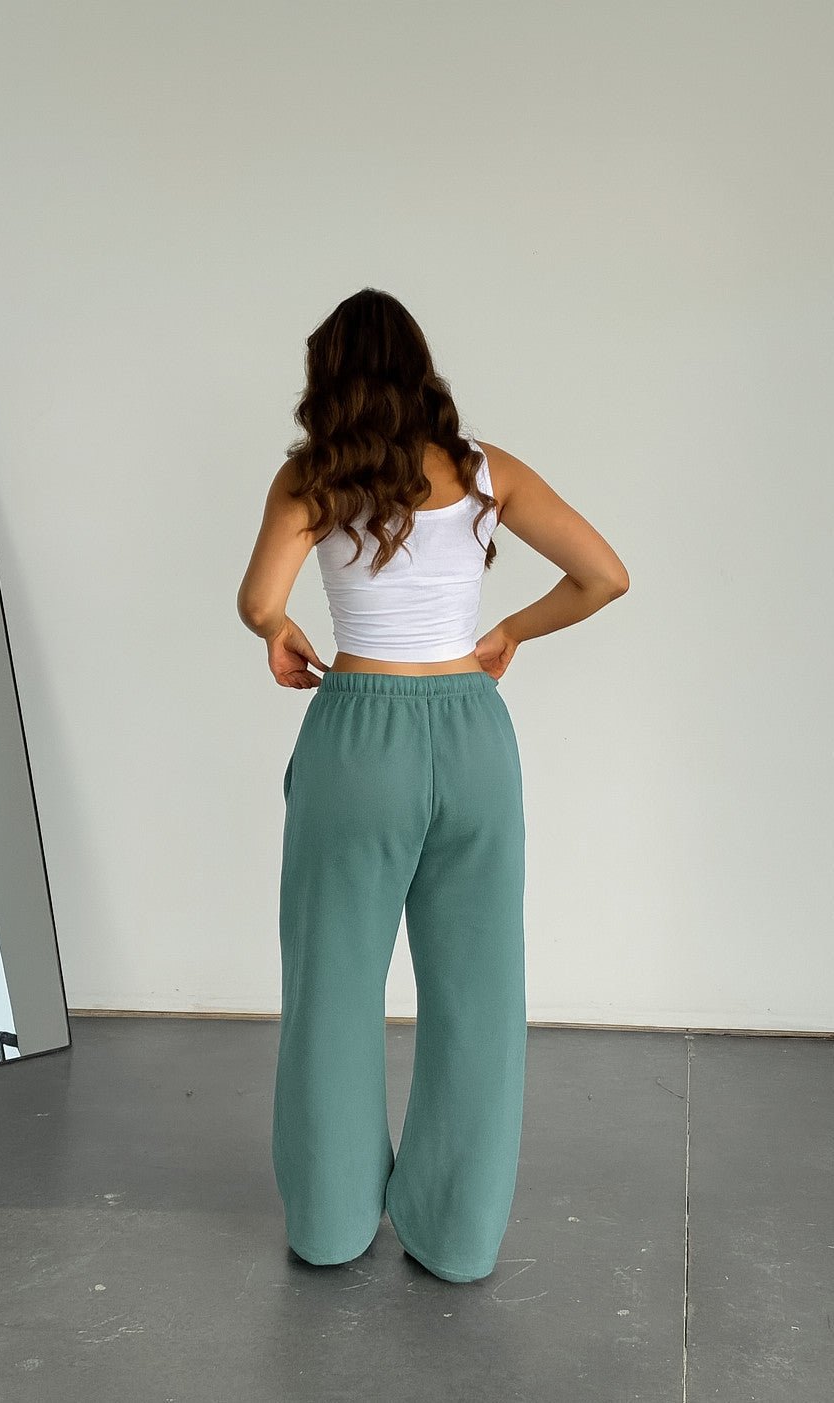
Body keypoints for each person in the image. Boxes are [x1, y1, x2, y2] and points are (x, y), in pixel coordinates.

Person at [237, 288, 629, 1283]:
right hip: (471, 736)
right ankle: (456, 1236)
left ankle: (331, 1224)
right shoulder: (486, 471)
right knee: (478, 992)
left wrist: (280, 633)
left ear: (328, 376)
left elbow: (258, 599)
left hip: (356, 734)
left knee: (333, 983)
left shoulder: (312, 475)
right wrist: (507, 633)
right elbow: (603, 575)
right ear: (419, 369)